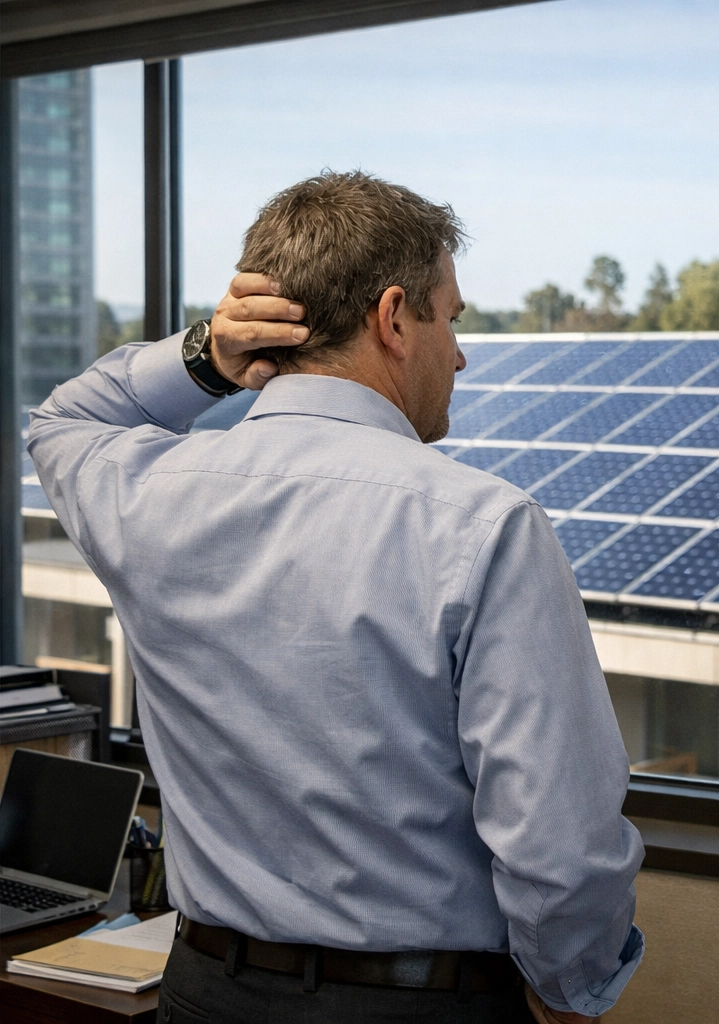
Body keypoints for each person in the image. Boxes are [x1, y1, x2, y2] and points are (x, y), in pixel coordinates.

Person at [28, 171, 644, 1023]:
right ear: (394, 318)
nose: (459, 353)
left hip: (205, 995)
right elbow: (558, 837)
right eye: (451, 319)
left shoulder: (149, 496)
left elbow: (61, 422)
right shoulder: (482, 525)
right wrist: (573, 994)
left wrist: (202, 355)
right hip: (418, 1007)